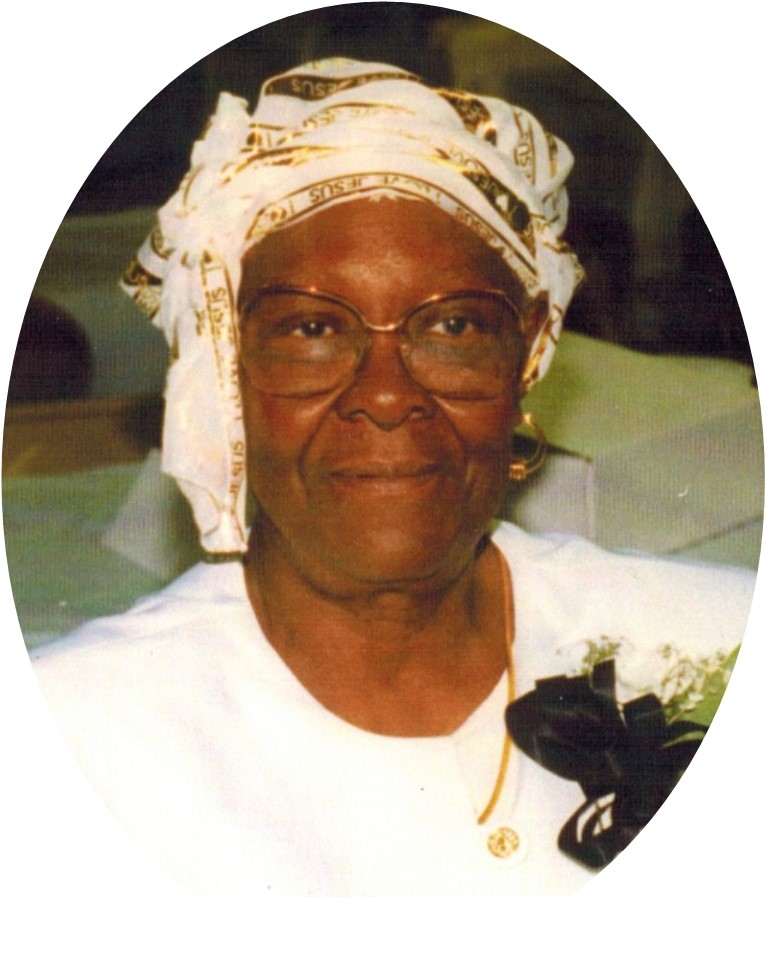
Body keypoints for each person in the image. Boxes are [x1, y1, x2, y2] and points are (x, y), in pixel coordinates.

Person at [31, 58, 754, 895]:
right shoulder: (76, 740)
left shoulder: (718, 643)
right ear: (221, 371)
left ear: (527, 353)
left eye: (453, 326)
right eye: (311, 329)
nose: (385, 394)